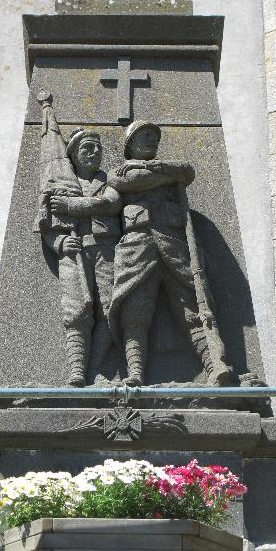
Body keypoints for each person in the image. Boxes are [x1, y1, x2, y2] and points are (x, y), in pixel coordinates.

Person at [107, 121, 231, 387]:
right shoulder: (119, 171)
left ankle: (214, 368)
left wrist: (159, 168)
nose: (151, 140)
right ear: (130, 145)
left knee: (193, 310)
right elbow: (127, 181)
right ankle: (136, 372)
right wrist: (165, 174)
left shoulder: (170, 168)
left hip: (174, 244)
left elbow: (187, 171)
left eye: (154, 135)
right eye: (144, 136)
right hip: (136, 245)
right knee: (135, 311)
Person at [44, 129, 122, 387]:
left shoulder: (110, 181)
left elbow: (110, 204)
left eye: (98, 149)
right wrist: (60, 242)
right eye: (87, 148)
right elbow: (45, 224)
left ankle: (97, 368)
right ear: (73, 155)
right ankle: (77, 372)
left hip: (107, 250)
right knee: (76, 311)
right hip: (73, 252)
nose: (94, 153)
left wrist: (72, 206)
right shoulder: (62, 185)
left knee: (111, 308)